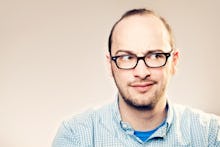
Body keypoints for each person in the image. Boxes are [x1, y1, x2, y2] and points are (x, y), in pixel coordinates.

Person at [52, 8, 220, 146]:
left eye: (155, 56)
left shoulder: (211, 135)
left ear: (174, 62)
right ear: (110, 65)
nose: (141, 72)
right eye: (126, 57)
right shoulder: (75, 136)